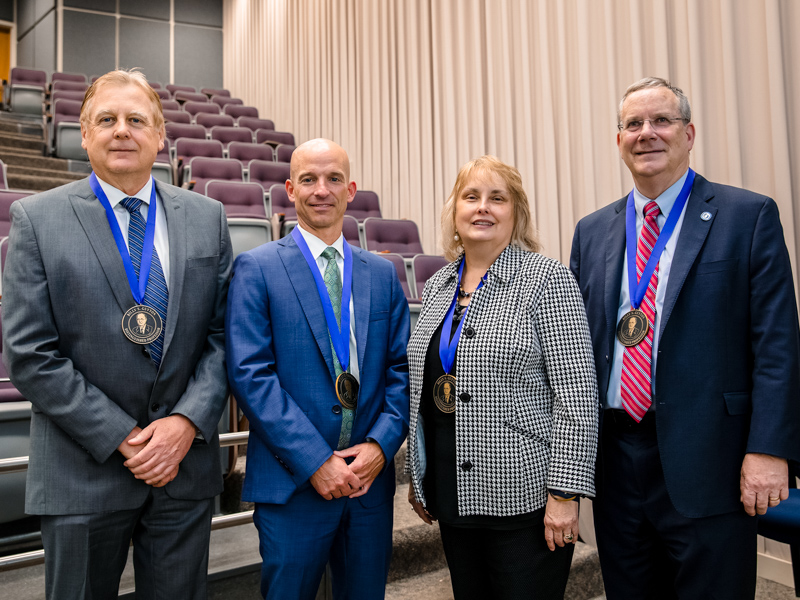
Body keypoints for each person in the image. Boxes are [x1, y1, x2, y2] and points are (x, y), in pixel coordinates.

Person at [2, 69, 232, 600]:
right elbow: (31, 354)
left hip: (183, 467)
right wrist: (123, 438)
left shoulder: (207, 218)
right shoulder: (37, 220)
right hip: (83, 469)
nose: (121, 131)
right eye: (106, 119)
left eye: (136, 120)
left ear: (160, 135)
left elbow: (223, 337)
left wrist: (183, 423)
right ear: (84, 133)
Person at [570, 77, 800, 598]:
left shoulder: (748, 215)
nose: (647, 133)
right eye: (633, 124)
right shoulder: (592, 230)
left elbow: (777, 345)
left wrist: (769, 450)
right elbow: (578, 352)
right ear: (619, 139)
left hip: (711, 460)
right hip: (616, 463)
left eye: (662, 121)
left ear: (689, 133)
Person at [406, 155, 598, 600]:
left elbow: (577, 393)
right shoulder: (437, 285)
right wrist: (421, 474)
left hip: (525, 499)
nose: (482, 208)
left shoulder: (546, 279)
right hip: (453, 492)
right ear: (455, 211)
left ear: (517, 212)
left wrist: (565, 494)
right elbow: (423, 387)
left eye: (498, 198)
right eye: (470, 197)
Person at [225, 138, 410, 600]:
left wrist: (380, 447)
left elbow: (400, 372)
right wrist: (316, 461)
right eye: (308, 179)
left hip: (367, 483)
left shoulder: (382, 274)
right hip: (293, 483)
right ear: (290, 188)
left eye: (332, 180)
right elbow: (251, 374)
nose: (320, 190)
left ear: (351, 189)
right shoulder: (257, 268)